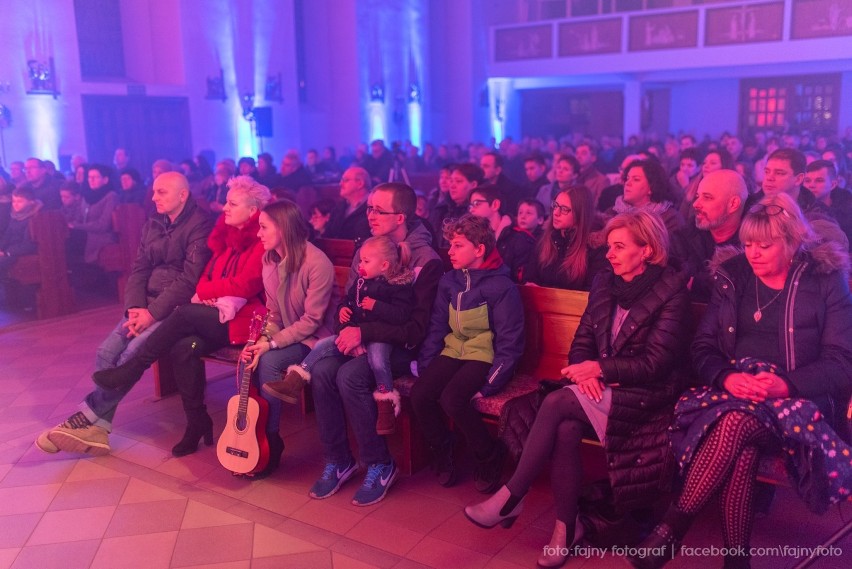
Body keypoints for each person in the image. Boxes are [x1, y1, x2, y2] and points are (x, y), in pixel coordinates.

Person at [630, 193, 852, 569]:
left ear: (793, 241)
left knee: (736, 423)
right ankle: (737, 562)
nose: (753, 254)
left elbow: (842, 361)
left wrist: (787, 384)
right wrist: (727, 376)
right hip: (735, 394)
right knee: (742, 441)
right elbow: (702, 348)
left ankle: (673, 528)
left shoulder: (826, 280)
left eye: (764, 246)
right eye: (748, 244)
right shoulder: (732, 276)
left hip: (803, 404)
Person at [465, 210, 691, 569]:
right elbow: (583, 339)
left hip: (646, 397)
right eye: (609, 246)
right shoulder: (606, 283)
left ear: (646, 250)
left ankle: (512, 494)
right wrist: (588, 372)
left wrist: (599, 368)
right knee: (566, 428)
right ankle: (564, 531)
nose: (611, 254)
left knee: (556, 402)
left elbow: (657, 363)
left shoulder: (671, 291)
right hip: (600, 389)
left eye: (620, 246)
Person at [47, 176, 270, 457]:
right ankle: (194, 422)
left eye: (231, 203)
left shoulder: (248, 237)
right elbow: (150, 270)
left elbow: (235, 284)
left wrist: (164, 309)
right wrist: (135, 307)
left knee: (169, 327)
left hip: (232, 320)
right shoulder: (219, 235)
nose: (223, 208)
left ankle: (93, 410)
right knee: (175, 348)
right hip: (194, 310)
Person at [36, 172, 213, 456]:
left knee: (131, 356)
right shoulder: (153, 222)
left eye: (161, 192)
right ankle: (98, 429)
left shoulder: (200, 225)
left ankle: (84, 418)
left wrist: (152, 315)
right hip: (144, 305)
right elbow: (139, 268)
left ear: (183, 195)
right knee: (106, 352)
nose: (153, 197)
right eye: (154, 191)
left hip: (174, 309)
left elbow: (188, 281)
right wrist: (134, 308)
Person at [306, 182, 442, 506]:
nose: (370, 215)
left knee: (349, 376)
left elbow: (416, 329)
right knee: (323, 371)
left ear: (401, 217)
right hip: (361, 337)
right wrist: (346, 330)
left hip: (401, 349)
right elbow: (347, 301)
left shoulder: (426, 260)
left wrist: (363, 334)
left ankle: (380, 462)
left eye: (378, 210)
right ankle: (339, 459)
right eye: (368, 208)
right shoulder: (367, 248)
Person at [411, 214, 524, 493]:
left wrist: (490, 386)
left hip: (482, 355)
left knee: (452, 398)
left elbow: (510, 343)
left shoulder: (501, 287)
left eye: (458, 245)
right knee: (420, 394)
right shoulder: (450, 281)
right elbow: (437, 326)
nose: (450, 251)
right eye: (450, 244)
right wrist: (428, 368)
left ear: (479, 249)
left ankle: (488, 453)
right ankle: (443, 445)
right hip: (453, 349)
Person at [263, 235, 414, 436]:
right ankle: (295, 381)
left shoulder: (398, 286)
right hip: (356, 334)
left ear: (384, 265)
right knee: (322, 345)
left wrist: (376, 306)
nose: (360, 265)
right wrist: (344, 314)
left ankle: (385, 403)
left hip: (381, 337)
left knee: (378, 360)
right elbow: (349, 302)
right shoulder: (362, 282)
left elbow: (401, 316)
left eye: (366, 261)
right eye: (360, 260)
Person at [237, 199, 337, 477]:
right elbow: (274, 313)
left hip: (317, 341)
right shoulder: (269, 260)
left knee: (268, 360)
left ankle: (269, 442)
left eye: (263, 227)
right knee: (251, 358)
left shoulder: (317, 262)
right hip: (287, 336)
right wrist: (263, 339)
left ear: (283, 228)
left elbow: (313, 321)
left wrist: (271, 344)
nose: (258, 234)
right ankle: (251, 438)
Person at [671, 170, 748, 301]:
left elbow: (744, 289)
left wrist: (696, 283)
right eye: (697, 196)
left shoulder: (754, 242)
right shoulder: (684, 236)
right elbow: (673, 281)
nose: (695, 204)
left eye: (707, 197)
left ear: (733, 204)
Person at [524, 186, 607, 290]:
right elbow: (530, 279)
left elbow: (592, 292)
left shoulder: (595, 247)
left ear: (580, 213)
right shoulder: (544, 240)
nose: (555, 213)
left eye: (564, 209)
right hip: (540, 304)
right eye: (555, 206)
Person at [467, 185, 533, 282]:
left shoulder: (519, 238)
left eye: (477, 203)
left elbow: (520, 280)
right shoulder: (472, 236)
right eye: (471, 205)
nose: (471, 209)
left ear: (495, 205)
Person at [73, 164, 118, 264]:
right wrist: (75, 225)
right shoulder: (86, 196)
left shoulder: (111, 196)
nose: (91, 180)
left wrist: (78, 226)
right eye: (89, 177)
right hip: (85, 236)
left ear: (105, 180)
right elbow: (78, 218)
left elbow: (103, 225)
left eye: (95, 177)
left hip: (102, 239)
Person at [430, 163, 482, 248]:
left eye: (458, 181)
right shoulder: (440, 209)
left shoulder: (477, 212)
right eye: (451, 181)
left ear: (473, 185)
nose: (452, 186)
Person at [0, 187, 42, 280]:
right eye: (14, 201)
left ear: (31, 202)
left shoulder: (35, 219)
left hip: (19, 254)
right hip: (9, 251)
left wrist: (7, 253)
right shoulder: (15, 216)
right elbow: (7, 236)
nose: (15, 205)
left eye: (20, 202)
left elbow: (30, 245)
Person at [324, 166, 372, 242]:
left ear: (360, 183)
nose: (340, 184)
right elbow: (327, 236)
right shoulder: (339, 208)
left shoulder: (374, 208)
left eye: (345, 180)